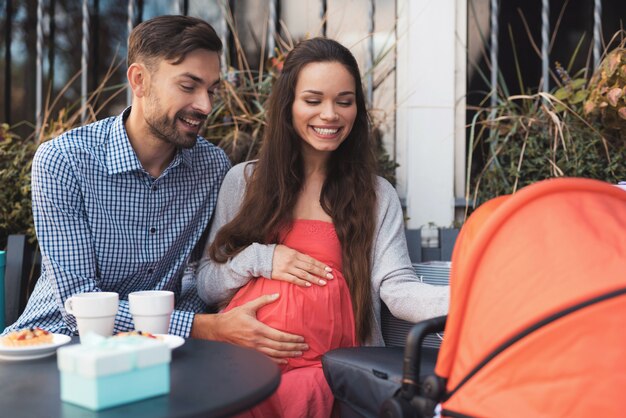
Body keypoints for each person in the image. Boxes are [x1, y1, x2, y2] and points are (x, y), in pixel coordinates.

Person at [2, 16, 309, 356]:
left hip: (165, 352)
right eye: (188, 86)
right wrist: (204, 328)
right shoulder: (64, 161)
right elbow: (78, 305)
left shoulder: (211, 168)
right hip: (54, 347)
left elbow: (199, 275)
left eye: (212, 89)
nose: (206, 105)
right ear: (139, 80)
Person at [196, 37, 449, 417]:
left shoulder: (376, 196)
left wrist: (466, 298)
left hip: (323, 374)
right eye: (313, 101)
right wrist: (263, 258)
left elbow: (397, 289)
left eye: (343, 101)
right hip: (243, 368)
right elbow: (207, 283)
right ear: (288, 106)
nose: (329, 114)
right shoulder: (243, 182)